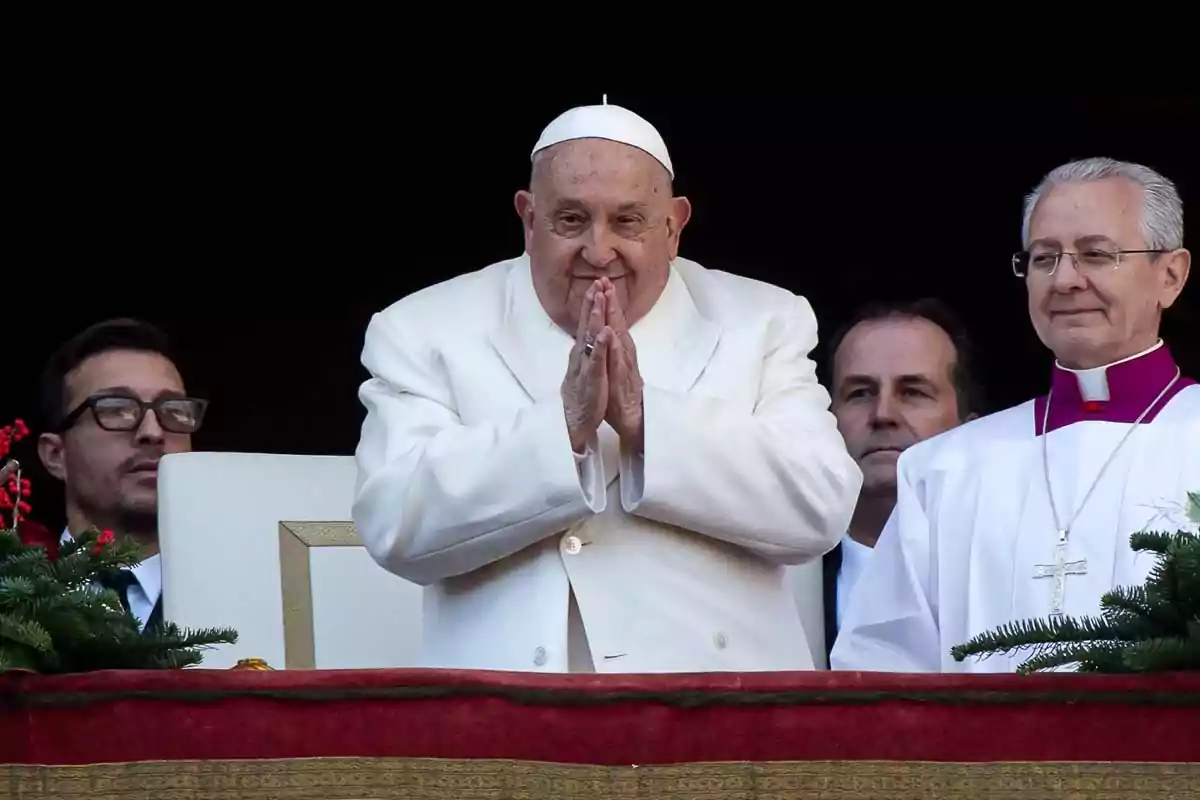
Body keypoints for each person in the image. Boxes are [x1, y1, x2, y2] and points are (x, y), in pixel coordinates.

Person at [352, 101, 862, 673]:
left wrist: (647, 421)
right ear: (527, 218)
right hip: (511, 714)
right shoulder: (425, 328)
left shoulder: (762, 320)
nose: (599, 251)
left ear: (674, 226)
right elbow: (394, 522)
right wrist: (563, 429)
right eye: (570, 220)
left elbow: (820, 507)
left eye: (628, 221)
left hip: (720, 710)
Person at [831, 157, 1197, 673]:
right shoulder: (943, 470)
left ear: (1171, 276)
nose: (1065, 280)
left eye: (1095, 255)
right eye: (1044, 258)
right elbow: (882, 668)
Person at [811, 299, 978, 661]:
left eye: (913, 392)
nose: (883, 414)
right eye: (859, 393)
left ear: (971, 430)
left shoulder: (1004, 570)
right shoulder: (778, 576)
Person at [35, 318, 209, 633]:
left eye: (174, 410)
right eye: (117, 408)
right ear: (55, 455)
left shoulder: (253, 592)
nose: (153, 432)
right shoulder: (15, 596)